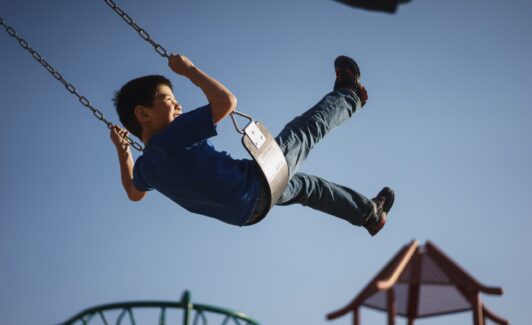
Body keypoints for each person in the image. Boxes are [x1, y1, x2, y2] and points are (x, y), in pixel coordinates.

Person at [110, 54, 394, 236]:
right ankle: (350, 95)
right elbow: (225, 102)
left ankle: (369, 214)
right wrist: (190, 71)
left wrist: (124, 153)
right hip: (254, 184)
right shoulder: (174, 136)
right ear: (143, 114)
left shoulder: (146, 167)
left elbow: (134, 193)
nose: (177, 103)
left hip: (246, 212)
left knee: (309, 188)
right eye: (167, 99)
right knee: (304, 131)